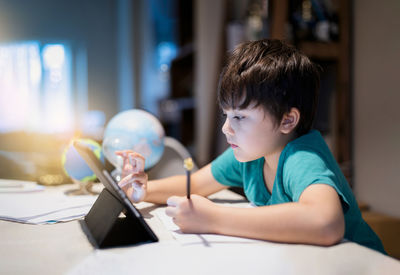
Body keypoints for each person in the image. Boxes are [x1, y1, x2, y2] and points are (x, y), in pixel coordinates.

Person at [116, 39, 385, 254]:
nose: (226, 127)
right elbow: (197, 184)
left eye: (240, 117)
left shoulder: (302, 157)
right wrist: (141, 190)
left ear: (287, 120)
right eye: (226, 115)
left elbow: (326, 223)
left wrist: (214, 219)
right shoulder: (252, 154)